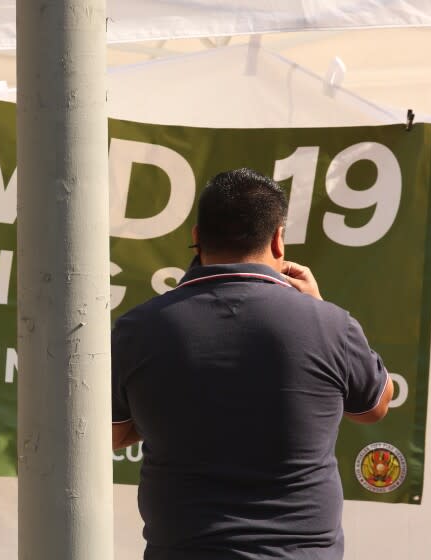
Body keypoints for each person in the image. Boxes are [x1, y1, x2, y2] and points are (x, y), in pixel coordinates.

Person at [111, 168, 393, 560]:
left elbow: (110, 434)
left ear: (195, 237)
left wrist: (182, 404)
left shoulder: (137, 329)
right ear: (279, 239)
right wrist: (317, 308)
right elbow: (374, 406)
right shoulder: (330, 324)